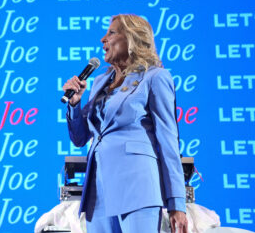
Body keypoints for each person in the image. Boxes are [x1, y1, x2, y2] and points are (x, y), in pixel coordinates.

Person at [63, 14, 188, 233]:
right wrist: (75, 103)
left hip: (138, 188)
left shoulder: (155, 77)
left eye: (111, 33)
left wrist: (176, 203)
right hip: (98, 192)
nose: (103, 39)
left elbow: (169, 141)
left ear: (132, 39)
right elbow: (80, 138)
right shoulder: (100, 82)